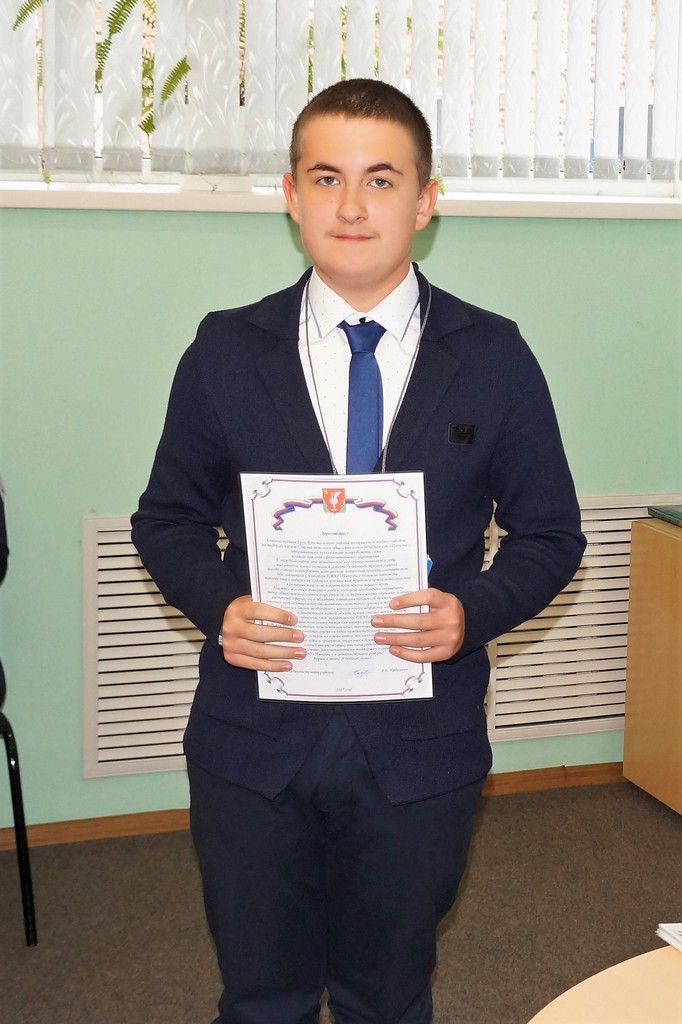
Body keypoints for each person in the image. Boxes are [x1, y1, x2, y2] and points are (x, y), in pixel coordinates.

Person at [131, 78, 586, 1024]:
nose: (351, 205)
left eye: (381, 180)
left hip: (420, 746)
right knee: (262, 997)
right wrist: (220, 606)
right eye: (325, 177)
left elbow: (550, 535)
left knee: (388, 996)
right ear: (290, 196)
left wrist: (473, 614)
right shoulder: (225, 351)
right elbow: (166, 520)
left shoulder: (494, 356)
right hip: (253, 740)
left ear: (425, 201)